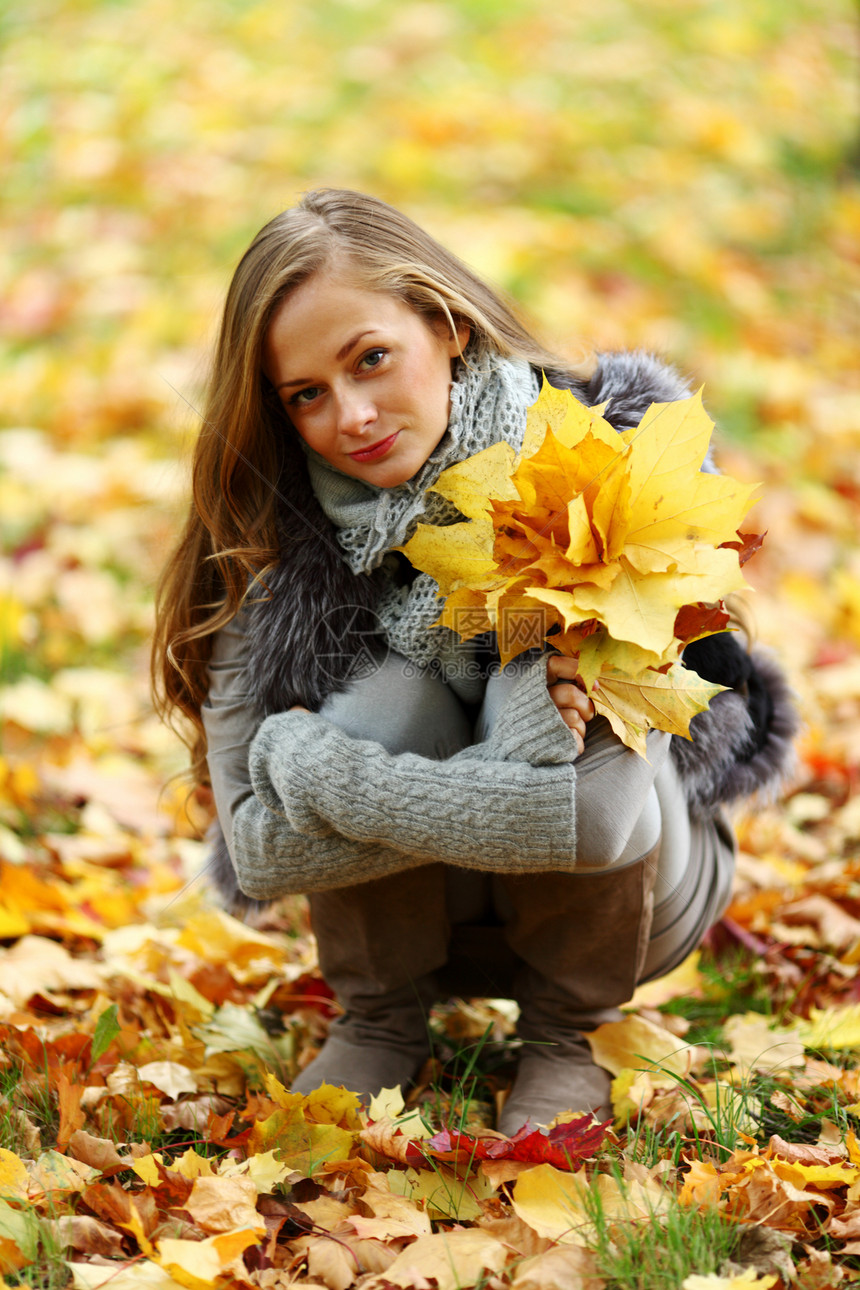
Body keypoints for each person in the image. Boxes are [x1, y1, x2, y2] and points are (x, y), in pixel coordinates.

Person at [153, 188, 796, 1133]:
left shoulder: (601, 473)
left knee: (529, 679)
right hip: (422, 923)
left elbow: (601, 825)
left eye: (372, 359)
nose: (355, 415)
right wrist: (461, 786)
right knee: (394, 695)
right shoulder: (273, 548)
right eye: (308, 395)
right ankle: (380, 1018)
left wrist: (312, 768)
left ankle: (569, 1032)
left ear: (448, 325)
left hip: (638, 895)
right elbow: (256, 850)